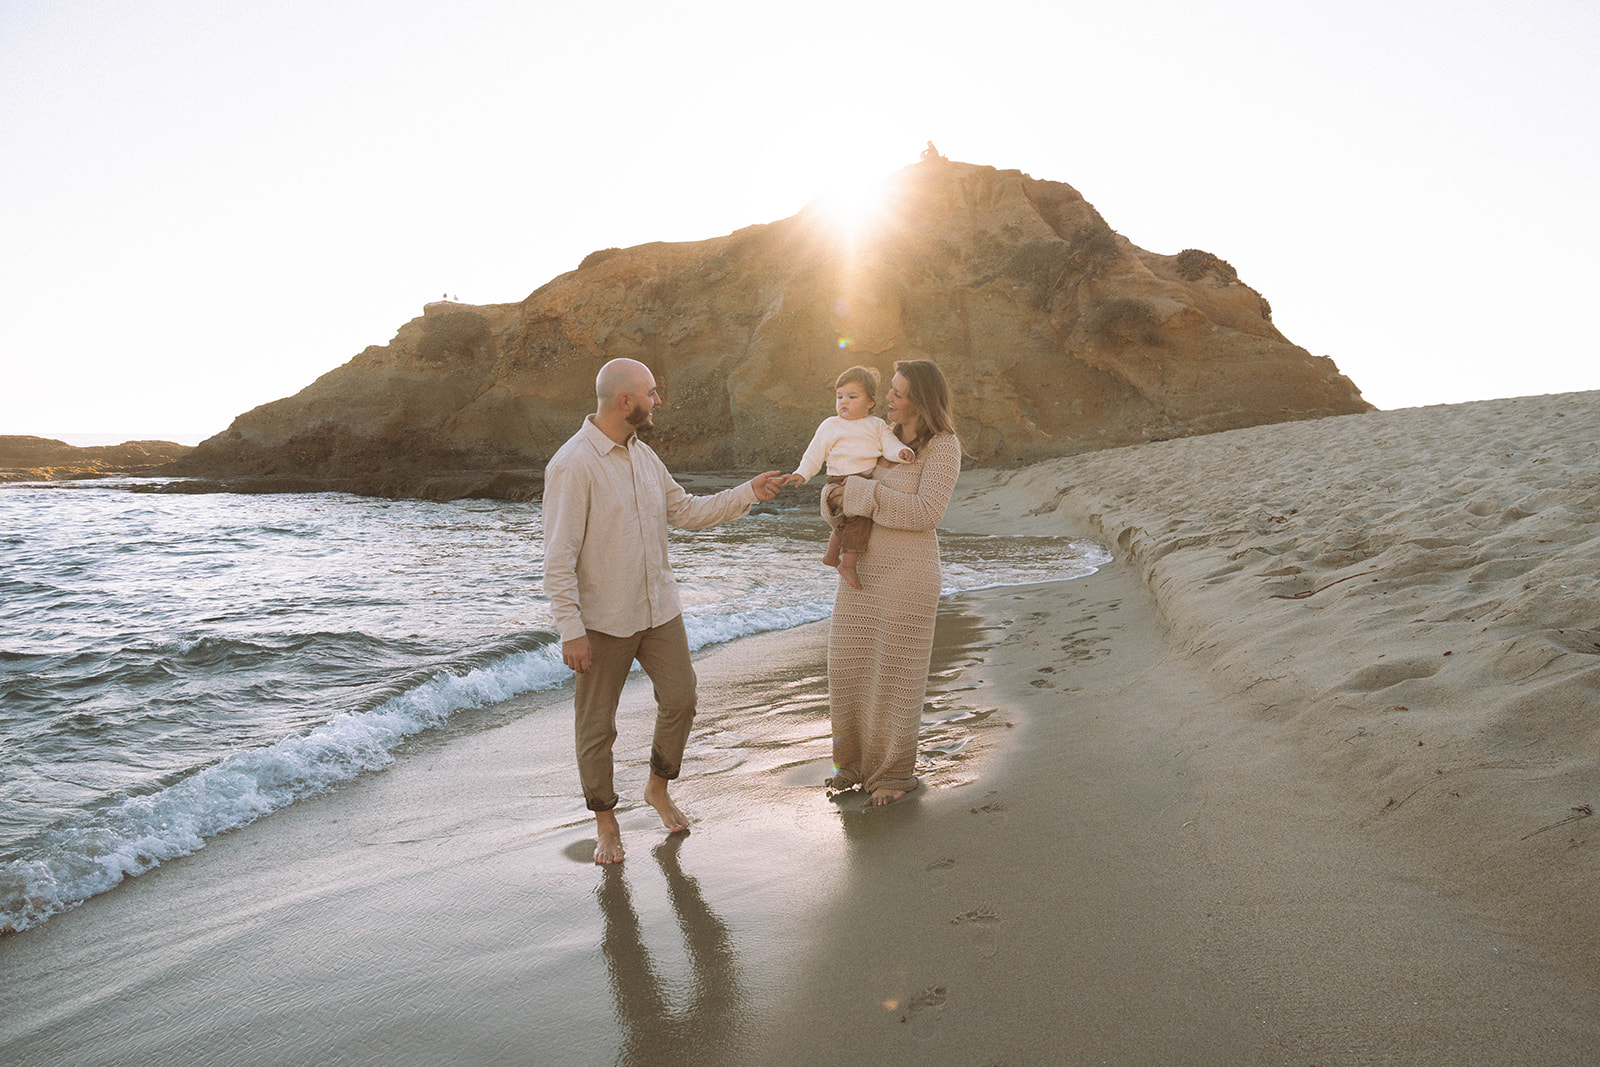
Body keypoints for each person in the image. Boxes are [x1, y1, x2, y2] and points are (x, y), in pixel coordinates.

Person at [542, 358, 786, 863]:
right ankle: (606, 822)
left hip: (659, 611)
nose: (659, 402)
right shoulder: (572, 465)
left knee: (682, 698)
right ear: (625, 401)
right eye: (652, 393)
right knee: (596, 726)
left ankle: (658, 787)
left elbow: (686, 511)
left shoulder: (645, 457)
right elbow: (558, 557)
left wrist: (749, 493)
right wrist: (571, 630)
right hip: (602, 621)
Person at [822, 359, 961, 805]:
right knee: (847, 670)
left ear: (920, 400)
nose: (888, 399)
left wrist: (862, 495)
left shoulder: (943, 446)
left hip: (909, 576)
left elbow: (925, 513)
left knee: (896, 679)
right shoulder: (874, 433)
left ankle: (893, 776)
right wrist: (832, 498)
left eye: (898, 393)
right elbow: (838, 486)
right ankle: (852, 767)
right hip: (860, 575)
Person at [781, 365, 915, 591]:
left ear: (870, 402)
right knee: (858, 519)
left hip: (863, 480)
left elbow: (889, 445)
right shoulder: (831, 425)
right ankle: (848, 564)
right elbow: (815, 453)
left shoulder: (877, 425)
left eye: (852, 397)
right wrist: (801, 473)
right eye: (839, 396)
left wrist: (902, 453)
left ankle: (832, 556)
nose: (844, 401)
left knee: (846, 521)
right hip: (839, 479)